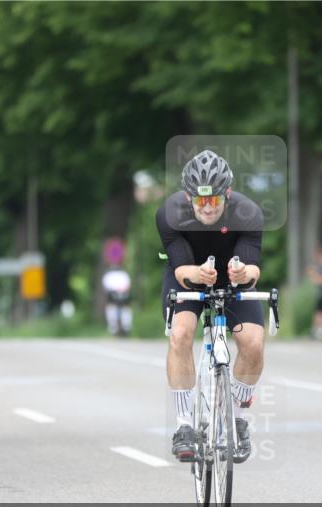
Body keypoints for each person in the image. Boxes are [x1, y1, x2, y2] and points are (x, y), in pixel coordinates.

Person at [157, 149, 265, 464]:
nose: (207, 207)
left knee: (253, 343)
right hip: (187, 274)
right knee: (181, 334)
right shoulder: (169, 213)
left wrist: (243, 273)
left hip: (232, 276)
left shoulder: (248, 212)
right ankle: (184, 426)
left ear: (227, 195)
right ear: (188, 197)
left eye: (214, 200)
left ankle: (237, 419)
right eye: (200, 200)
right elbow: (180, 269)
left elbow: (253, 268)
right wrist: (197, 274)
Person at [102, 266, 133, 336]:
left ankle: (125, 328)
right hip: (113, 295)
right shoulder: (121, 274)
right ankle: (114, 329)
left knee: (125, 309)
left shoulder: (122, 274)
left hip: (122, 295)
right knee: (112, 309)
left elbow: (128, 286)